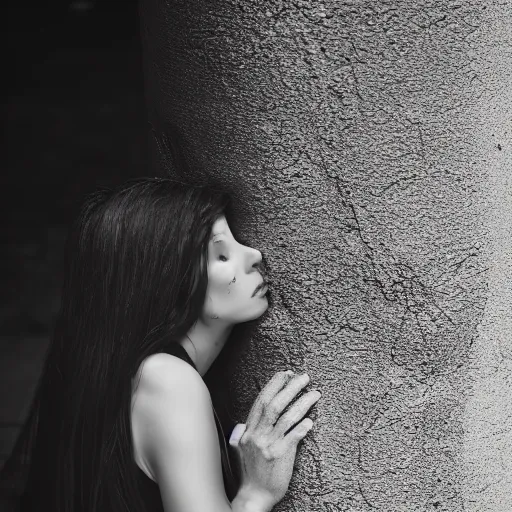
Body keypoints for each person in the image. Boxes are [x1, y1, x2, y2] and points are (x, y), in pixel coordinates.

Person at [0, 177, 321, 512]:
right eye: (221, 255)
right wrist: (255, 495)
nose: (254, 254)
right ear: (167, 283)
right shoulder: (168, 380)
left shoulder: (140, 377)